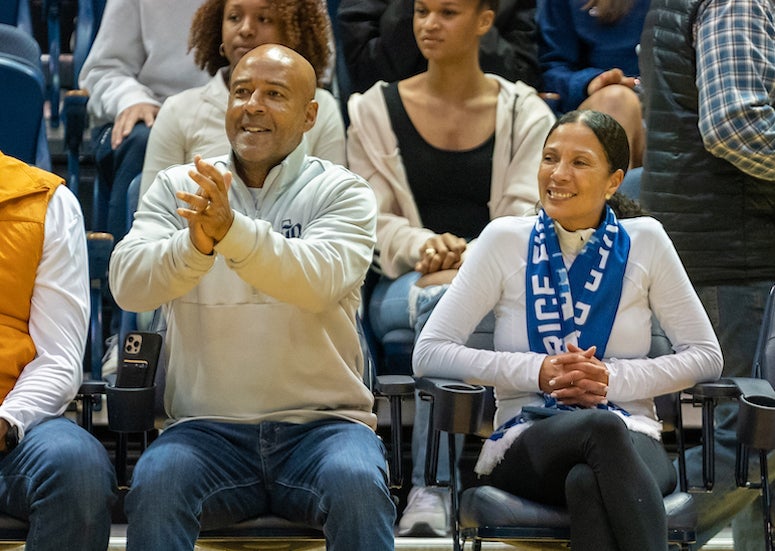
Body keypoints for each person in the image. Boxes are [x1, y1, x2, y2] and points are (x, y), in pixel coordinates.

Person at [109, 44, 394, 551]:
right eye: (241, 92)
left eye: (274, 94)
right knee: (155, 484)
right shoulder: (182, 187)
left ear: (311, 115)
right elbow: (129, 283)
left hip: (324, 429)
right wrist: (196, 242)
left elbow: (317, 280)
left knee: (358, 485)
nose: (252, 105)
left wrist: (230, 232)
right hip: (204, 431)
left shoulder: (343, 192)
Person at [413, 110, 723, 550]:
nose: (558, 174)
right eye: (550, 158)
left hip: (632, 432)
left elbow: (706, 355)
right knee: (601, 430)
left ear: (614, 181)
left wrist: (611, 379)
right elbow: (429, 353)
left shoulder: (647, 241)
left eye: (579, 162)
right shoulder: (504, 240)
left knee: (587, 482)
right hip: (527, 434)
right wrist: (537, 371)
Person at [346, 0, 555, 536]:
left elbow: (529, 210)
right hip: (403, 284)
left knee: (461, 303)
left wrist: (469, 259)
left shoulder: (525, 111)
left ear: (485, 21)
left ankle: (500, 480)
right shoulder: (371, 109)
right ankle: (432, 489)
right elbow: (370, 217)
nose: (429, 24)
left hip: (499, 285)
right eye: (421, 11)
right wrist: (424, 249)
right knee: (442, 303)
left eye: (448, 12)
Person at [638, 0, 775, 548]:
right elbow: (734, 123)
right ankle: (636, 530)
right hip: (735, 249)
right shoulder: (740, 0)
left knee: (753, 437)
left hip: (727, 242)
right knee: (756, 429)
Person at [0, 151, 117, 550]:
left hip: (13, 428)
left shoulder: (46, 202)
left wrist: (6, 420)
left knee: (77, 467)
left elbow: (58, 358)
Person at [139, 0, 346, 198]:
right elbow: (153, 216)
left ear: (292, 30)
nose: (245, 29)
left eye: (263, 19)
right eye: (234, 17)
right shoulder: (178, 110)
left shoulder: (322, 106)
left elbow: (332, 204)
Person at [337, 0, 542, 94]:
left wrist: (469, 19)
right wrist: (423, 6)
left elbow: (522, 78)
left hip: (489, 122)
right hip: (391, 124)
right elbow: (366, 73)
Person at [537, 0, 648, 168]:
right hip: (602, 103)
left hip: (676, 104)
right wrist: (590, 82)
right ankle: (614, 193)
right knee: (616, 100)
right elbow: (551, 70)